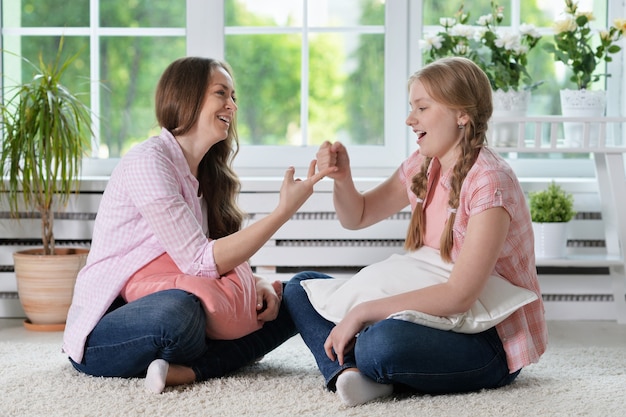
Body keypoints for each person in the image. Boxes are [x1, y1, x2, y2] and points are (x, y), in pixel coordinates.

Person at [283, 57, 548, 407]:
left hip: (486, 340)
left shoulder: (490, 181)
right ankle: (349, 374)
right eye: (412, 108)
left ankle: (365, 365)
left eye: (422, 107)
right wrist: (343, 179)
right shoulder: (424, 163)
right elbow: (358, 215)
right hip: (433, 317)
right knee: (299, 288)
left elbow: (459, 297)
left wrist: (363, 312)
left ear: (462, 115)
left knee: (379, 343)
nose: (410, 119)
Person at [63, 56, 334, 394]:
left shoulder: (205, 175)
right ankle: (207, 359)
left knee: (304, 290)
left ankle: (191, 370)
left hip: (193, 305)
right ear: (187, 97)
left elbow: (216, 264)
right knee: (180, 313)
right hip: (112, 324)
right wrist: (283, 211)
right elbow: (199, 262)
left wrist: (257, 282)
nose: (232, 106)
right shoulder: (148, 162)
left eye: (234, 96)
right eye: (222, 93)